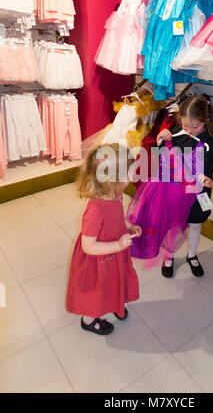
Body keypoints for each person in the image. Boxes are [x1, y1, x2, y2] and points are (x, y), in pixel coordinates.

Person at [127, 94, 213, 278]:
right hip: (174, 194)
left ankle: (192, 255)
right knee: (173, 226)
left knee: (195, 225)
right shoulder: (176, 133)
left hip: (199, 195)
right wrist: (160, 140)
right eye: (186, 125)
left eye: (195, 127)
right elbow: (159, 157)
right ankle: (168, 256)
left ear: (207, 122)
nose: (190, 130)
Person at [66, 143, 141, 336]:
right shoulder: (95, 211)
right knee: (97, 290)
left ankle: (116, 302)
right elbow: (88, 245)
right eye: (127, 175)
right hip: (97, 259)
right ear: (110, 180)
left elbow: (117, 216)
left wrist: (128, 225)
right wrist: (118, 244)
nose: (131, 178)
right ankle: (89, 320)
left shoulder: (115, 195)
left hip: (114, 251)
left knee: (115, 280)